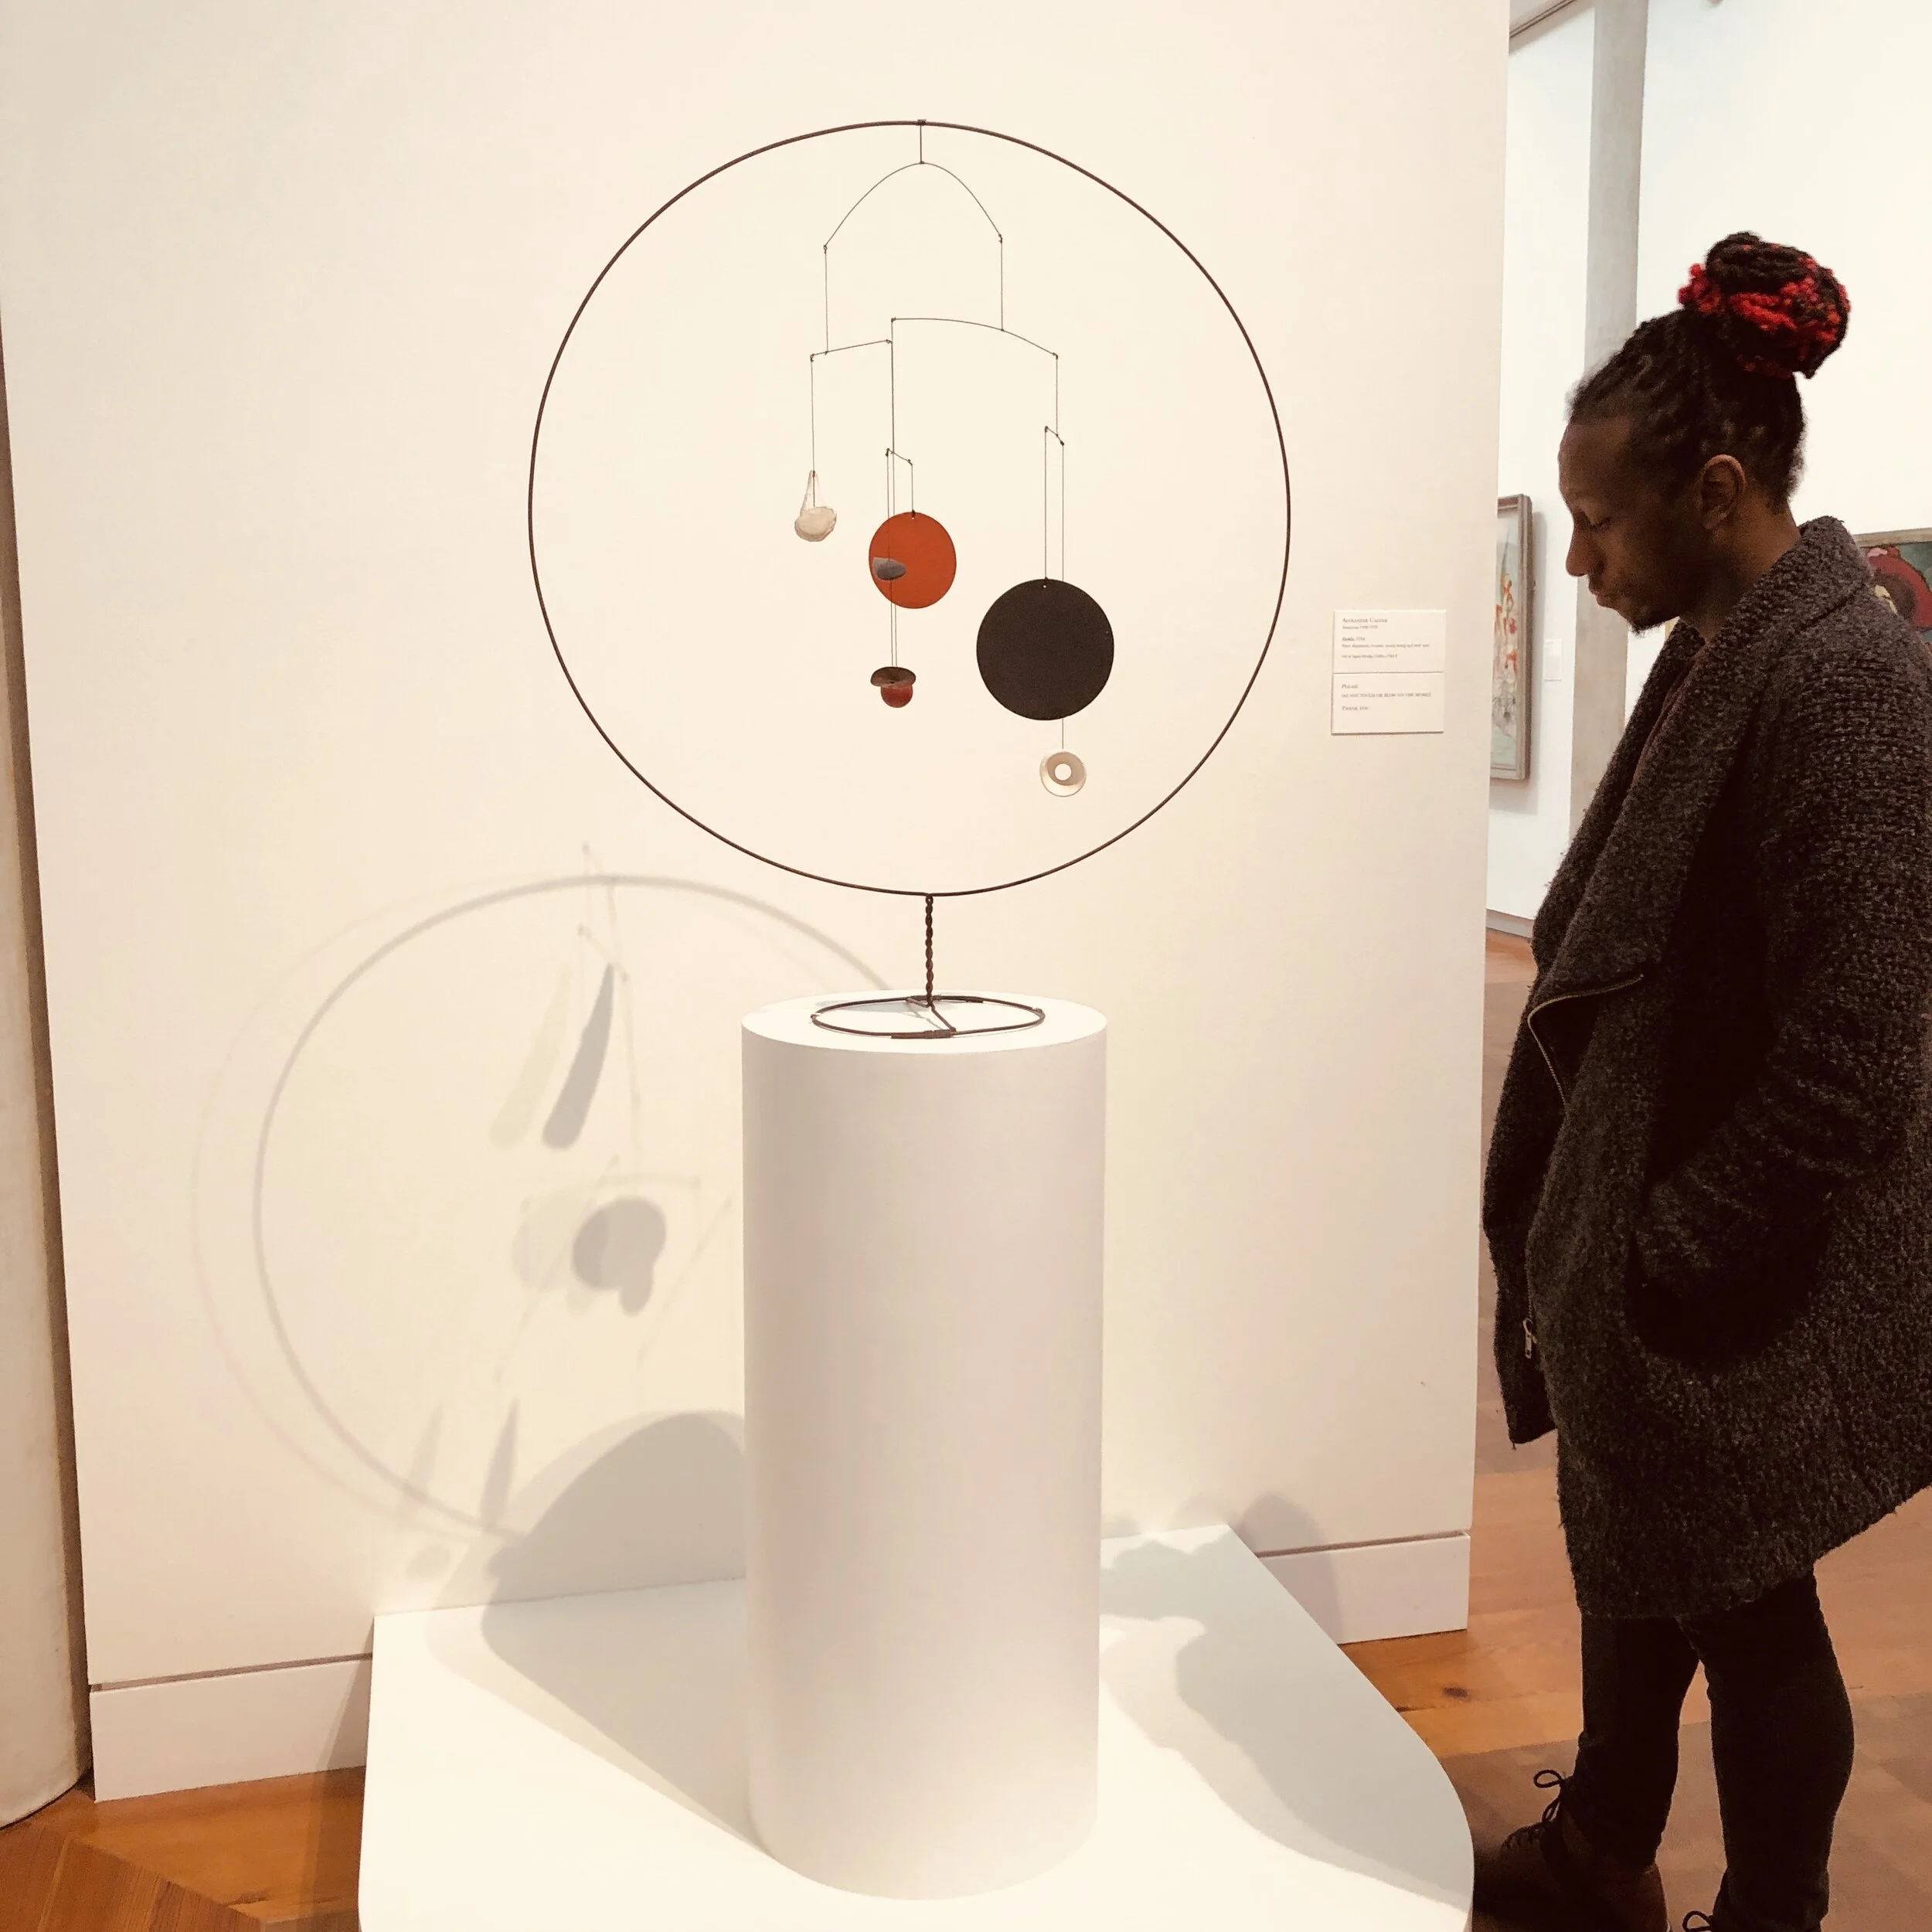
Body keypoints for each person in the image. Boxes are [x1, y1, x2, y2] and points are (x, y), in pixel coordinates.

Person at [1476, 233, 1932, 1932]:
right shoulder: (1729, 640)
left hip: (1742, 1256)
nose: (1576, 556)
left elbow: (1855, 1057)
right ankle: (1603, 1841)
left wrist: (1660, 1251)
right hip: (1659, 1225)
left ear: (1717, 484)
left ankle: (1772, 1911)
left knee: (1745, 1599)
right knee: (1638, 1532)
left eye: (1598, 521)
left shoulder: (1843, 682)